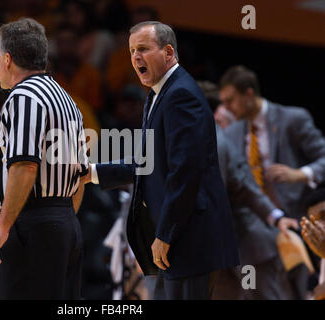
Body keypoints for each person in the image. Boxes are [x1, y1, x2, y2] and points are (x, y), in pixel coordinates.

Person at [83, 21, 239, 300]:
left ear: (168, 52)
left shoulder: (180, 95)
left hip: (189, 240)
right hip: (178, 239)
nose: (135, 58)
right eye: (131, 51)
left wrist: (165, 234)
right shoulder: (159, 93)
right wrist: (91, 172)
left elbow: (185, 173)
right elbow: (147, 161)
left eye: (143, 49)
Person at [0, 18, 89, 299]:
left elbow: (25, 165)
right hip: (63, 222)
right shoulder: (67, 100)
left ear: (7, 59)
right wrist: (62, 222)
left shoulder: (24, 97)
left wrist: (1, 229)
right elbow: (81, 176)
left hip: (30, 227)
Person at [198, 81, 301, 299]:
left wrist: (275, 217)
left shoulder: (215, 141)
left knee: (258, 296)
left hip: (247, 250)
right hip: (220, 253)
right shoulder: (200, 139)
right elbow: (245, 186)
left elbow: (243, 191)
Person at [219, 65, 325, 221]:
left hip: (298, 217)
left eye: (230, 100)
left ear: (249, 94)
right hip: (255, 223)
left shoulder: (292, 119)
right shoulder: (231, 132)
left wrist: (299, 174)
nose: (226, 108)